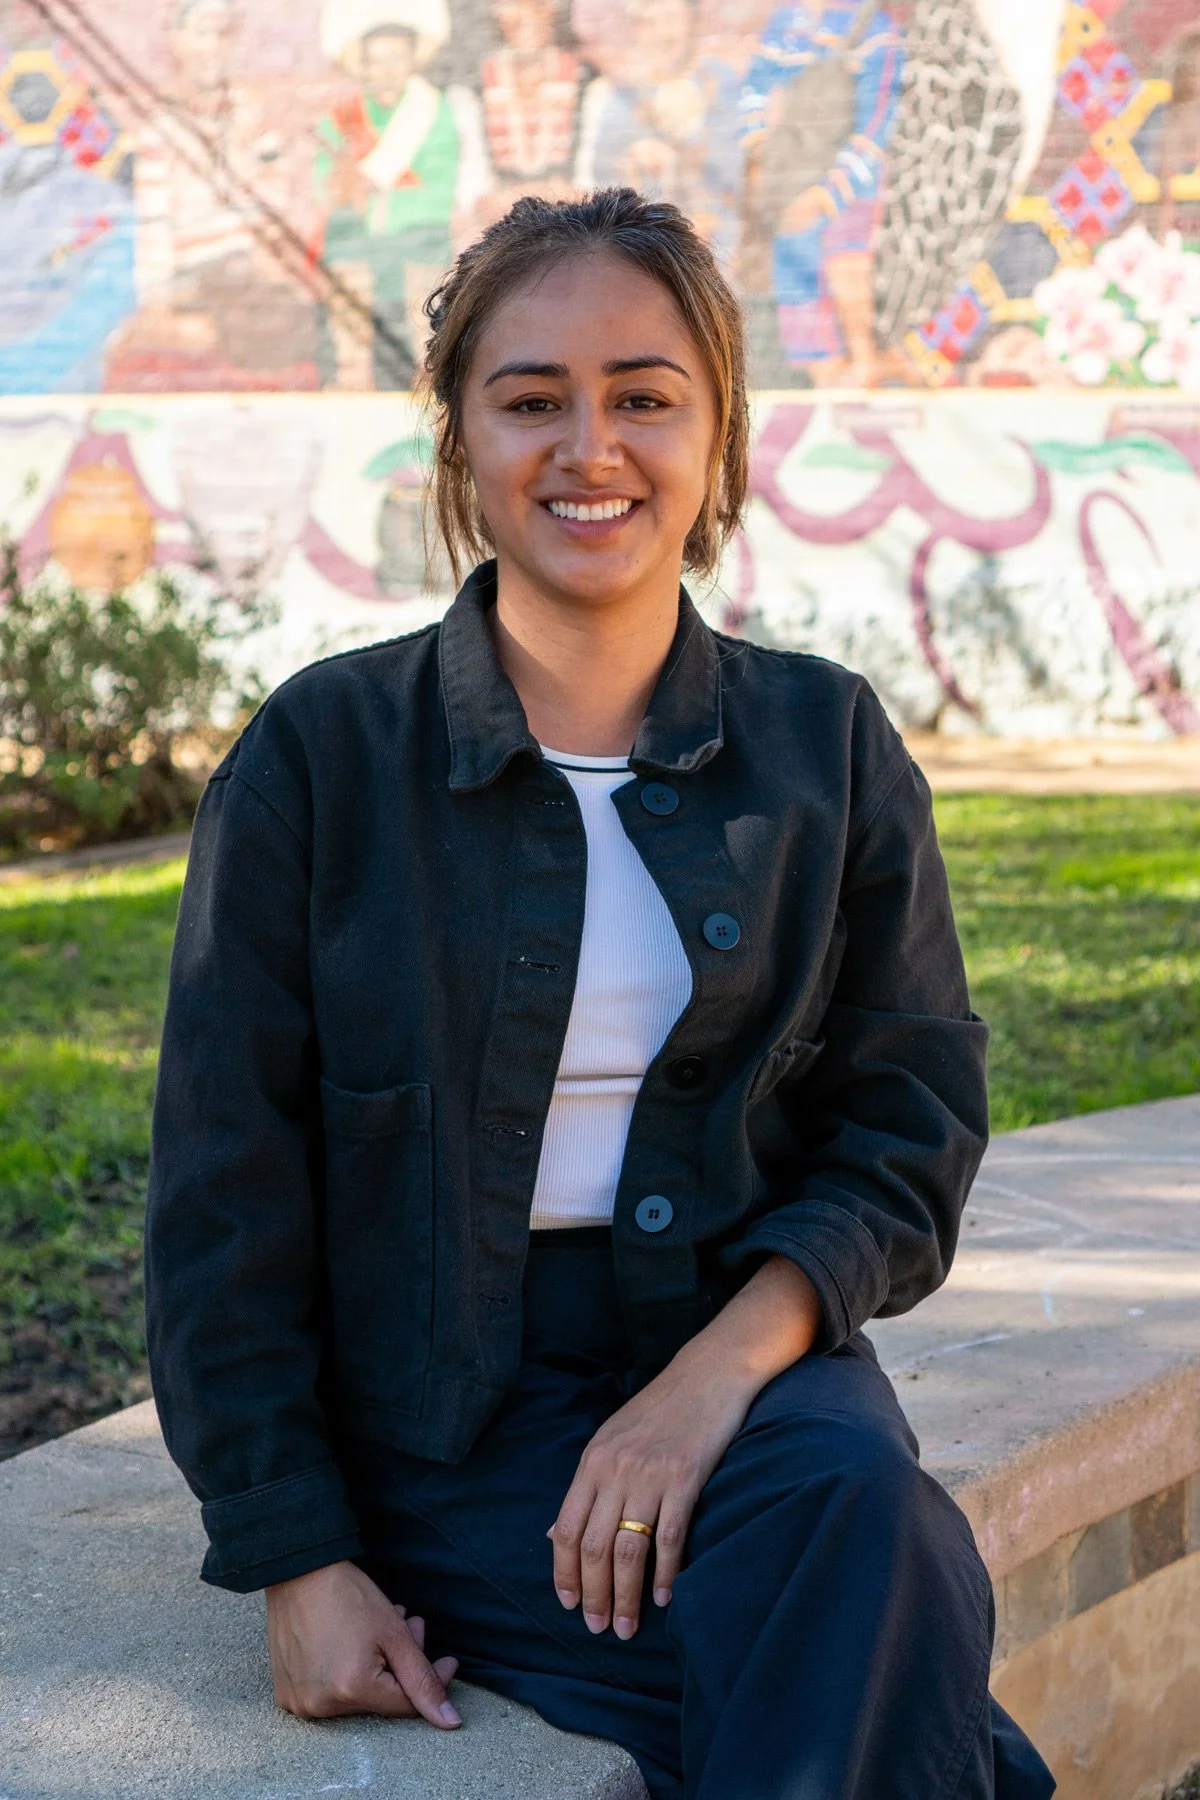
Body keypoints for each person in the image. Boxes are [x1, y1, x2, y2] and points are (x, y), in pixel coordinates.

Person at [145, 188, 1057, 1799]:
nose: (591, 448)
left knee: (864, 1522)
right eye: (531, 399)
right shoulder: (321, 762)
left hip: (758, 1374)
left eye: (645, 395)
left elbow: (909, 1133)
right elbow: (227, 1194)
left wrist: (702, 1390)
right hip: (444, 1426)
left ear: (717, 435)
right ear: (460, 442)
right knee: (896, 1675)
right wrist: (296, 1559)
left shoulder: (826, 748)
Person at [314, 0, 489, 386]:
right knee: (346, 284)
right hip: (359, 246)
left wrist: (382, 206)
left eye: (396, 58)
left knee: (425, 330)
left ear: (412, 60)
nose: (386, 70)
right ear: (361, 63)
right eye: (376, 60)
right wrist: (344, 186)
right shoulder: (339, 117)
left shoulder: (435, 111)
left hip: (417, 243)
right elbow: (323, 185)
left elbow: (439, 190)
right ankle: (351, 384)